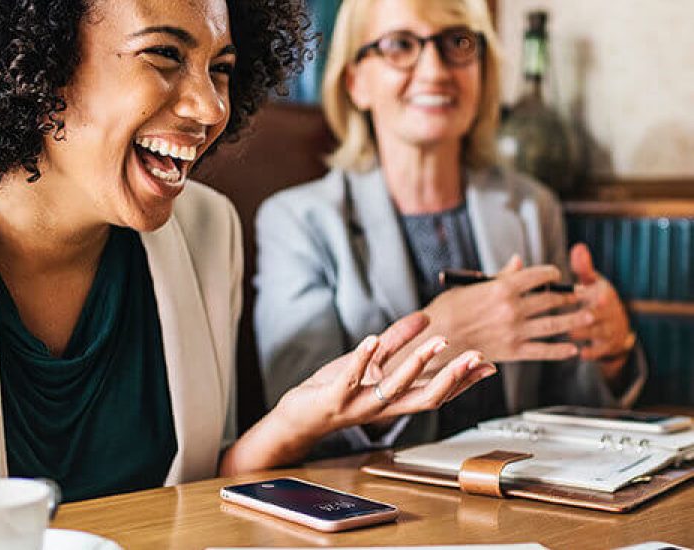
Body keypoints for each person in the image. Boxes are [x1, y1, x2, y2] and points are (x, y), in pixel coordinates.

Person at [0, 0, 494, 544]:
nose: (211, 106)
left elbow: (177, 505)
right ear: (34, 66)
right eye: (165, 55)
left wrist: (289, 425)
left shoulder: (206, 231)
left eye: (221, 67)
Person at [254, 0, 645, 457]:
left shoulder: (531, 208)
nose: (436, 69)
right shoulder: (297, 222)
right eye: (401, 44)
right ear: (355, 82)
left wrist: (612, 351)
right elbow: (302, 422)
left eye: (457, 43)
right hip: (378, 508)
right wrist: (445, 336)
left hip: (520, 493)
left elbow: (563, 402)